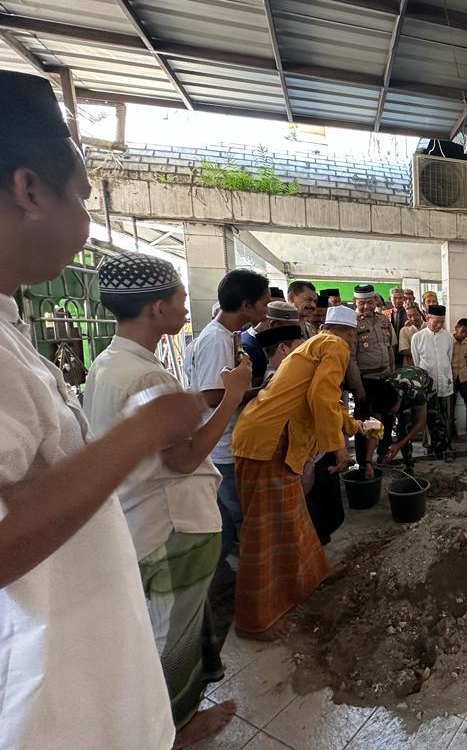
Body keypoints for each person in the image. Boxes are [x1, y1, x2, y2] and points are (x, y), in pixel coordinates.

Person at [0, 70, 205, 750]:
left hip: (89, 673)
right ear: (30, 190)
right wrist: (150, 428)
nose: (87, 225)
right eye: (84, 198)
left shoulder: (11, 326)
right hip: (53, 703)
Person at [84, 252, 253, 746]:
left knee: (174, 624)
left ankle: (169, 714)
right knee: (171, 637)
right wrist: (232, 397)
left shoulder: (111, 363)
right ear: (157, 307)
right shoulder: (145, 375)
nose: (186, 308)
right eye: (180, 299)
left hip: (141, 518)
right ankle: (173, 729)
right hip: (170, 523)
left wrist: (203, 400)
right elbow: (183, 457)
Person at [230, 304, 364, 640]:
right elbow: (322, 396)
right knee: (265, 534)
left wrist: (354, 425)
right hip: (268, 443)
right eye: (355, 335)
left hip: (265, 438)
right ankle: (255, 621)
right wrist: (339, 447)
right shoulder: (336, 346)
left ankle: (299, 590)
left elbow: (327, 402)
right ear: (350, 333)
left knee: (291, 523)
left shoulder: (314, 344)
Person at [184, 269, 270, 563]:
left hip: (227, 442)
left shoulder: (227, 336)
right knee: (239, 519)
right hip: (222, 447)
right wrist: (256, 391)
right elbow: (211, 397)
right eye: (263, 303)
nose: (266, 309)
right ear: (246, 305)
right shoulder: (216, 340)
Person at [352, 283, 395, 476]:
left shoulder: (383, 320)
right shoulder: (352, 323)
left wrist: (392, 373)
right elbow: (351, 359)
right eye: (362, 303)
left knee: (387, 420)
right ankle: (365, 463)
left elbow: (390, 349)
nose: (367, 306)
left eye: (370, 302)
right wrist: (358, 387)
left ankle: (384, 455)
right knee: (369, 424)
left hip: (385, 377)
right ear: (355, 302)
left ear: (376, 301)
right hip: (366, 380)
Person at [380, 366, 451, 472]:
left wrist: (399, 444)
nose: (393, 414)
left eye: (394, 411)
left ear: (399, 401)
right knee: (403, 427)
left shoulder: (416, 393)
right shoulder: (385, 390)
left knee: (434, 419)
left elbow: (421, 422)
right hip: (403, 386)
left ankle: (442, 450)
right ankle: (408, 464)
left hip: (425, 384)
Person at [411, 304, 455, 462]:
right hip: (427, 385)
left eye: (442, 321)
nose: (439, 324)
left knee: (446, 416)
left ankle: (447, 445)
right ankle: (428, 444)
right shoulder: (418, 337)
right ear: (427, 318)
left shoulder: (448, 337)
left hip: (445, 382)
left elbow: (448, 359)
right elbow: (417, 362)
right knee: (427, 415)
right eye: (436, 321)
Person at [240, 300, 299, 385]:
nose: (292, 335)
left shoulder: (254, 341)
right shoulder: (249, 348)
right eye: (290, 330)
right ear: (273, 324)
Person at [451, 318, 467, 438]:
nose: (464, 334)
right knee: (451, 406)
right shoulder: (448, 342)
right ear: (456, 328)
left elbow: (465, 360)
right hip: (452, 378)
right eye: (463, 331)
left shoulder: (466, 343)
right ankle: (452, 432)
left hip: (464, 378)